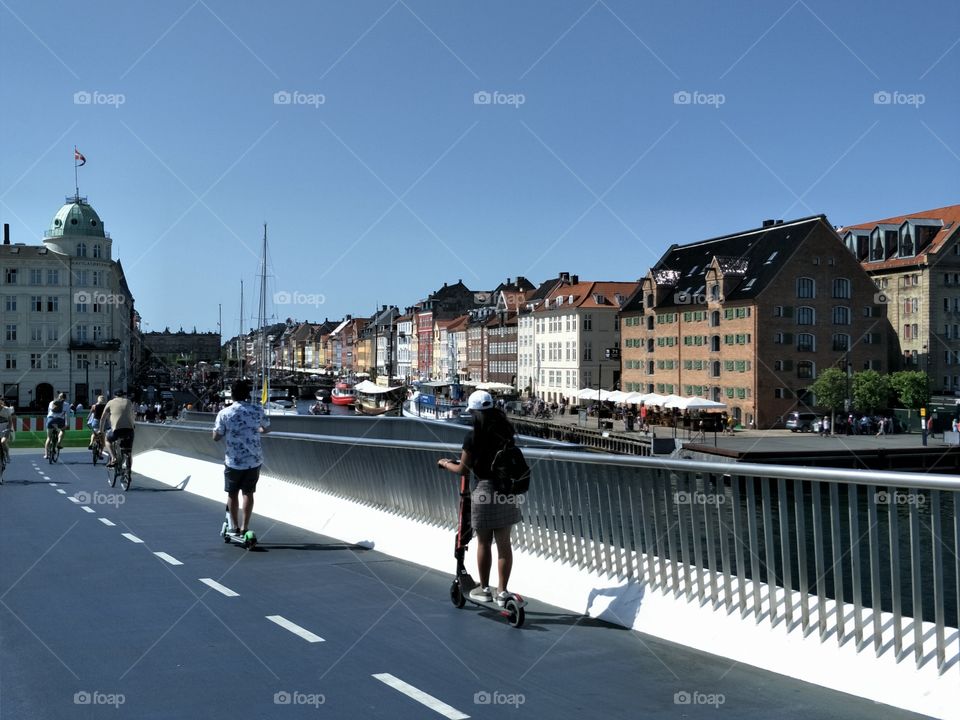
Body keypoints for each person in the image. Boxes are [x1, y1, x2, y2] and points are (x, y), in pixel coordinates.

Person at [437, 389, 522, 607]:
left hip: (484, 491)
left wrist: (445, 463)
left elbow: (463, 470)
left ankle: (484, 589)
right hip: (507, 492)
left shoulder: (473, 437)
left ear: (474, 412)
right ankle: (502, 592)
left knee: (484, 543)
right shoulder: (506, 432)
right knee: (504, 545)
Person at [213, 379, 271, 537]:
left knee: (232, 493)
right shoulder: (257, 409)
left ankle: (234, 527)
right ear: (247, 394)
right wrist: (256, 429)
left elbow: (216, 437)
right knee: (248, 493)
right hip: (254, 460)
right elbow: (266, 428)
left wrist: (222, 431)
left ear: (232, 394)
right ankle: (245, 527)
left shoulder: (225, 413)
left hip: (233, 461)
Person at [103, 390, 137, 474]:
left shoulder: (110, 402)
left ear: (114, 395)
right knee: (129, 451)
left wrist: (100, 430)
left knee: (107, 440)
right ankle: (128, 471)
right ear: (123, 395)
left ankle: (113, 457)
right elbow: (132, 415)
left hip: (116, 431)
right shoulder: (129, 402)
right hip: (129, 430)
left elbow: (102, 418)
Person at [44, 392, 68, 459]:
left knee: (48, 438)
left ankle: (46, 454)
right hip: (60, 421)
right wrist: (67, 424)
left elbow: (49, 412)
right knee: (62, 431)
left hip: (50, 420)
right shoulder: (66, 404)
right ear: (65, 398)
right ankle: (59, 443)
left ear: (58, 397)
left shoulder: (52, 402)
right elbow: (67, 415)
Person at [0, 397, 15, 462]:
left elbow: (10, 421)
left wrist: (8, 429)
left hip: (5, 428)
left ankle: (7, 455)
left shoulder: (6, 409)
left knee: (3, 442)